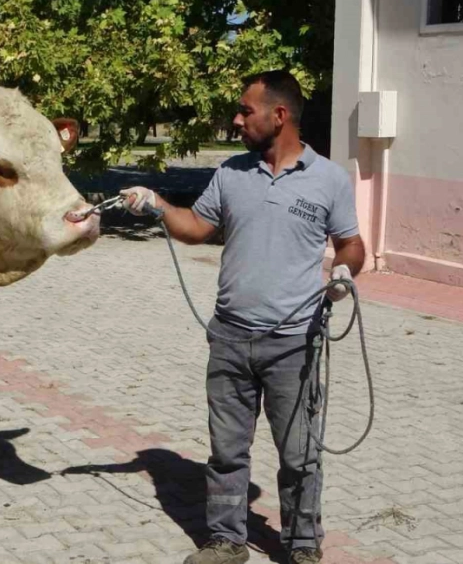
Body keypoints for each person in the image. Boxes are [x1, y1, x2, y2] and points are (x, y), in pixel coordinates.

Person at [120, 70, 365, 564]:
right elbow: (196, 228)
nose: (236, 120)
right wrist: (157, 204)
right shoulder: (231, 173)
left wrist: (343, 271)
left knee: (299, 454)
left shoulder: (329, 179)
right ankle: (227, 541)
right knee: (227, 452)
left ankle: (300, 546)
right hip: (229, 337)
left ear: (279, 115)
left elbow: (351, 244)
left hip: (293, 343)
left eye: (244, 110)